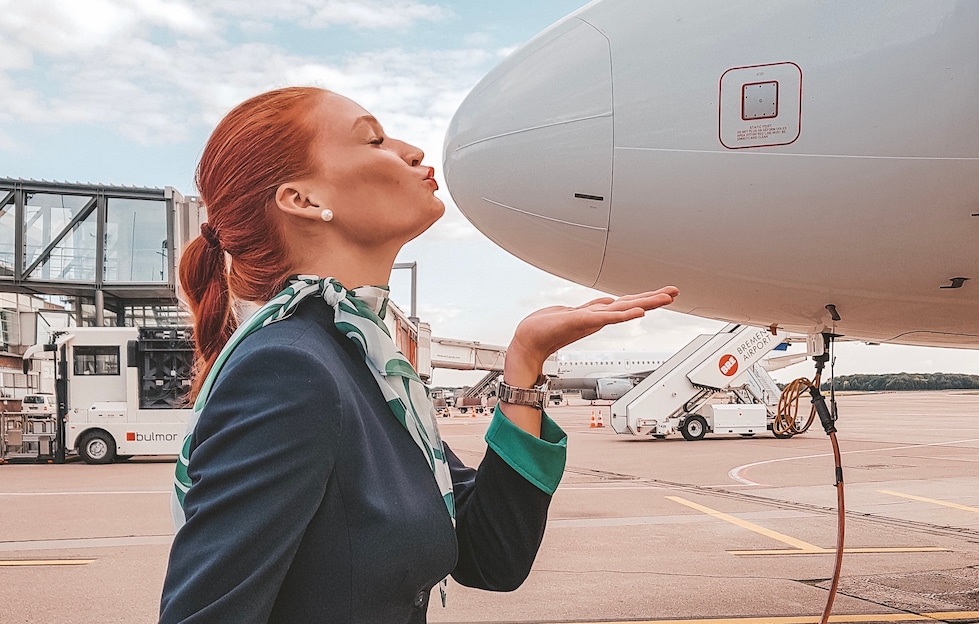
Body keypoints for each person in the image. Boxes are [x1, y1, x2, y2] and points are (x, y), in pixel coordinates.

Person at [158, 86, 679, 624]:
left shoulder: (370, 368)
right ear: (304, 201)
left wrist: (524, 364)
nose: (412, 152)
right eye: (375, 139)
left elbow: (491, 555)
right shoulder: (290, 369)